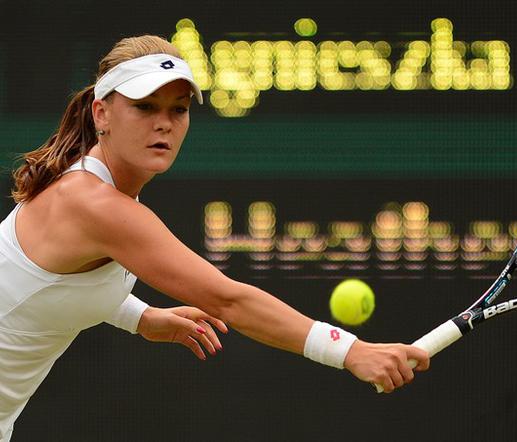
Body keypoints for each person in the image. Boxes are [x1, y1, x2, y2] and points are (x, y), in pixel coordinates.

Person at [0, 35, 430, 440]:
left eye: (178, 109)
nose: (164, 124)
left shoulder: (83, 184)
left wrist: (138, 316)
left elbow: (39, 282)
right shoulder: (96, 205)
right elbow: (229, 300)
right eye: (145, 107)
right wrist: (350, 351)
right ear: (101, 113)